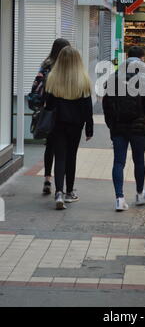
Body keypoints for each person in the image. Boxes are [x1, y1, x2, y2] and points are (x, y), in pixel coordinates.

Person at [102, 46, 145, 211]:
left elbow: (107, 104)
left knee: (119, 161)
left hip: (118, 126)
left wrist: (111, 123)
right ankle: (140, 195)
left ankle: (119, 198)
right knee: (139, 160)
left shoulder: (113, 78)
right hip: (139, 126)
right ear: (141, 59)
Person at [45, 46, 93, 210]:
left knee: (60, 157)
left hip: (58, 123)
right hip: (76, 124)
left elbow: (49, 105)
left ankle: (58, 191)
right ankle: (69, 192)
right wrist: (89, 128)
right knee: (71, 156)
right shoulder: (83, 79)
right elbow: (88, 107)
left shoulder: (52, 78)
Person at [30, 38, 70, 195]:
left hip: (49, 111)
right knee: (65, 149)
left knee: (50, 146)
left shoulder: (46, 64)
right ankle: (64, 184)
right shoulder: (67, 67)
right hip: (66, 112)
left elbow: (37, 86)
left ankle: (47, 179)